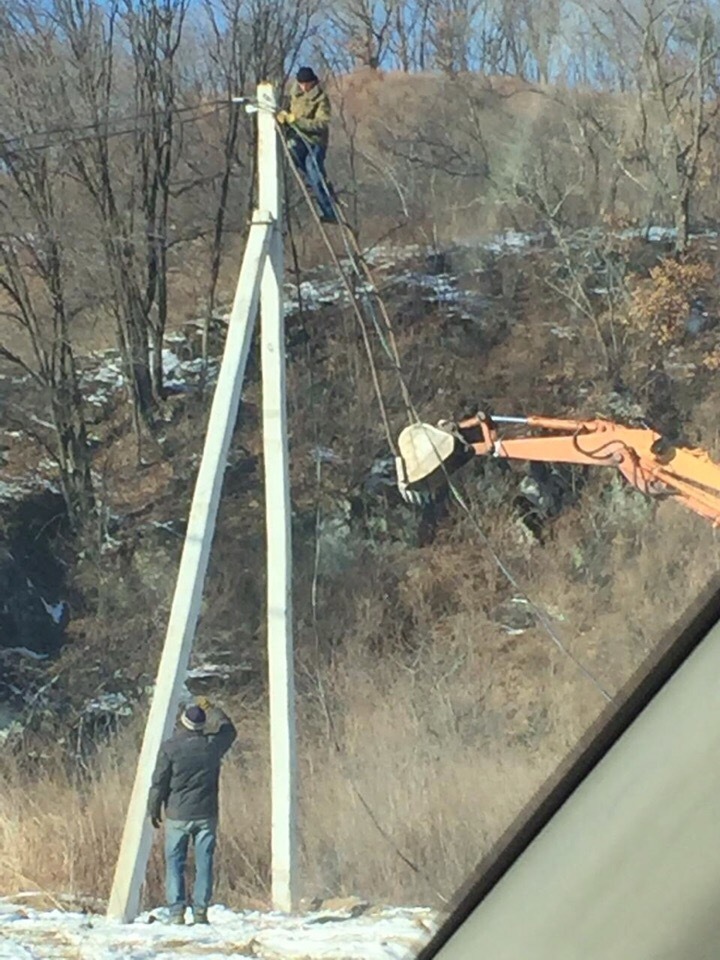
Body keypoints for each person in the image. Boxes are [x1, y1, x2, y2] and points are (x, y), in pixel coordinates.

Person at [148, 697, 237, 925]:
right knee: (204, 862)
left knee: (175, 862)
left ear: (183, 722)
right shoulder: (212, 746)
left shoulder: (170, 748)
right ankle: (200, 912)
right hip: (206, 813)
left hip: (177, 814)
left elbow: (159, 781)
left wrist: (154, 807)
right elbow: (229, 730)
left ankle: (176, 912)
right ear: (202, 725)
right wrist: (212, 707)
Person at [277, 66, 339, 224]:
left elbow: (321, 123)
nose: (304, 87)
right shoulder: (293, 95)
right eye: (301, 84)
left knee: (314, 170)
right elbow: (285, 111)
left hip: (315, 141)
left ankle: (329, 211)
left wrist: (296, 121)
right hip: (298, 139)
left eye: (307, 84)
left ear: (312, 82)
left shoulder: (320, 98)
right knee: (293, 152)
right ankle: (317, 184)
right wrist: (282, 119)